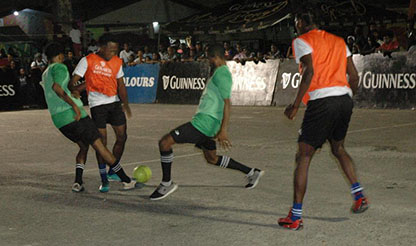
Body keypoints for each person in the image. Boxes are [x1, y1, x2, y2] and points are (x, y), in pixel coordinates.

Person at [278, 11, 368, 230]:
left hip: (322, 101)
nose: (295, 27)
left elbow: (308, 71)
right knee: (338, 148)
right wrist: (345, 98)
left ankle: (296, 215)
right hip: (344, 99)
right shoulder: (339, 41)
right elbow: (354, 77)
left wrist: (295, 105)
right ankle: (359, 196)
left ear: (301, 22)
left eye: (296, 23)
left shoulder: (302, 41)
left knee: (304, 156)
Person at [149, 45, 264, 200]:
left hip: (204, 123)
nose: (208, 61)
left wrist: (223, 130)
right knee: (212, 158)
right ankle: (252, 172)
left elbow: (227, 103)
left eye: (209, 58)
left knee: (165, 143)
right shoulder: (219, 72)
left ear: (214, 58)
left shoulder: (222, 74)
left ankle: (166, 183)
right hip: (207, 123)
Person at [41, 42, 136, 192]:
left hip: (59, 120)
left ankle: (78, 182)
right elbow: (57, 88)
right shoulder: (59, 67)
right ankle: (125, 180)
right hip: (73, 115)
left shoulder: (45, 72)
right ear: (60, 55)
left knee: (83, 147)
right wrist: (73, 105)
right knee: (100, 146)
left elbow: (56, 90)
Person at [69, 34, 132, 192]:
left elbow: (121, 84)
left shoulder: (117, 61)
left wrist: (126, 104)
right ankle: (104, 179)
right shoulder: (87, 60)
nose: (113, 53)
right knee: (101, 143)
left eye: (115, 50)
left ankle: (113, 172)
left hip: (114, 103)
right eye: (111, 50)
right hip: (97, 106)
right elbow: (73, 81)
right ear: (101, 48)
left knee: (122, 137)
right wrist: (76, 90)